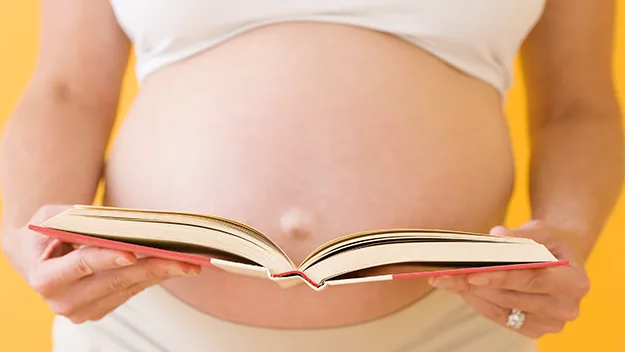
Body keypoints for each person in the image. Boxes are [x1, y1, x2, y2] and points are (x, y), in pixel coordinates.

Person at [1, 0, 623, 351]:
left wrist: (566, 234)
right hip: (142, 330)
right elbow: (63, 91)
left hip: (455, 331)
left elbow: (580, 106)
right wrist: (35, 250)